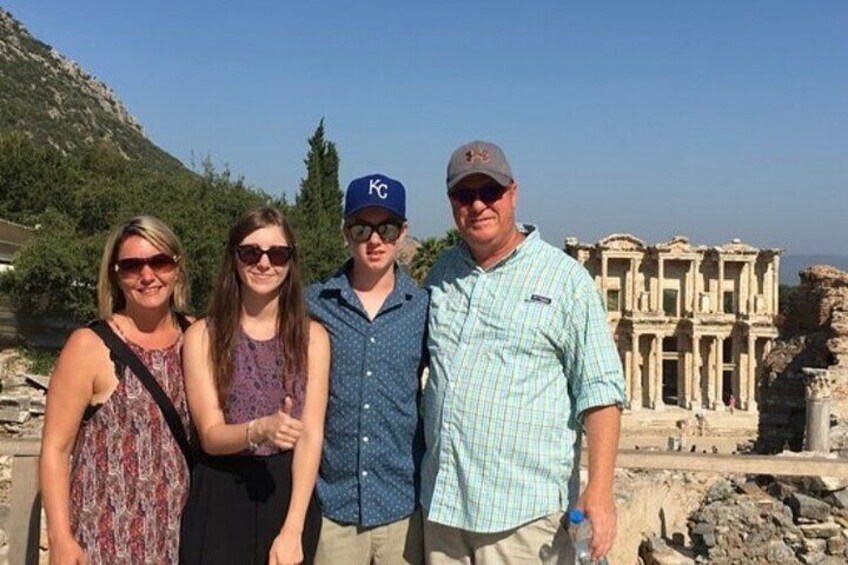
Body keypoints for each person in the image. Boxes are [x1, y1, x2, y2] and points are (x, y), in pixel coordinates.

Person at [422, 141, 626, 563]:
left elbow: (601, 390)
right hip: (443, 513)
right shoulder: (441, 274)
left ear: (512, 193)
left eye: (490, 192)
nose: (478, 205)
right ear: (451, 202)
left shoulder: (565, 281)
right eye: (464, 195)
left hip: (524, 520)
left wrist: (599, 490)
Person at [180, 207, 329, 565]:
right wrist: (259, 430)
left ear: (291, 261)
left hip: (287, 493)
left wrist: (293, 529)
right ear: (234, 257)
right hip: (221, 494)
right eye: (251, 252)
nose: (264, 263)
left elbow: (311, 435)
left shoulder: (313, 338)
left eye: (277, 254)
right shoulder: (203, 336)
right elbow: (211, 435)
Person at [40, 215, 193, 564]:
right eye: (132, 266)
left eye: (160, 261)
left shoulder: (197, 337)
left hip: (178, 536)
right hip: (103, 539)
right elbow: (56, 450)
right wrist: (60, 539)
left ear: (177, 267)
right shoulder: (89, 346)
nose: (147, 275)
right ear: (115, 274)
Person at [308, 174, 428, 564]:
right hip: (333, 510)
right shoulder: (314, 303)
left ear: (403, 232)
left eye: (386, 228)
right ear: (346, 232)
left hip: (401, 509)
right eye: (362, 228)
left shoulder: (423, 308)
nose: (374, 240)